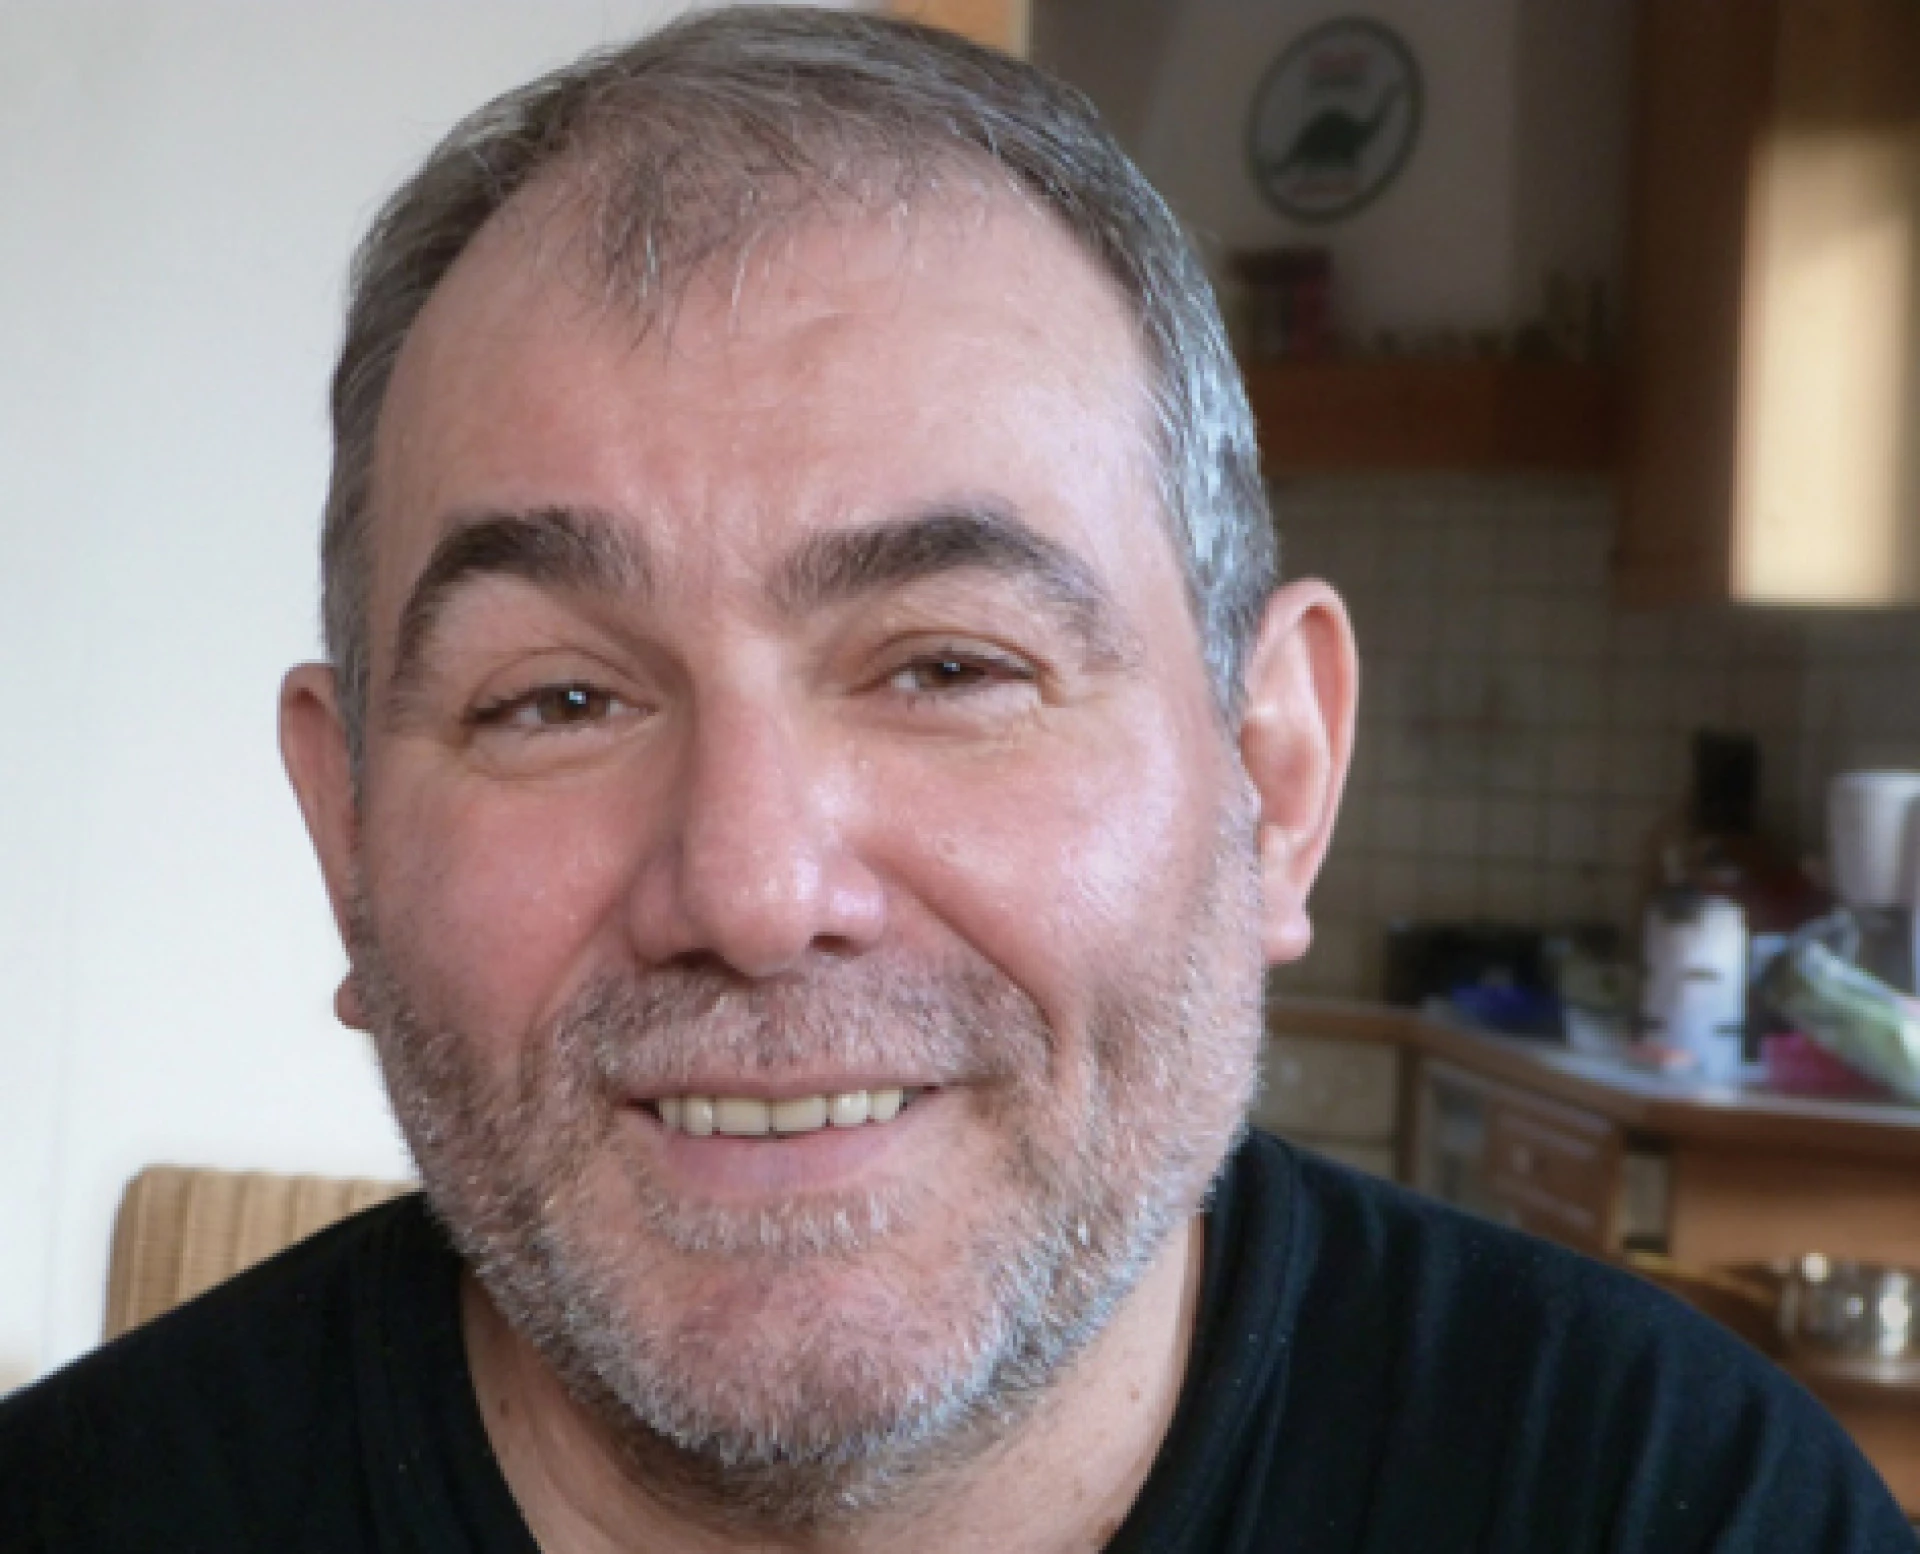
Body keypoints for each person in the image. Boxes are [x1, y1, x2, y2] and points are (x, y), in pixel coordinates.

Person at [0, 8, 1909, 1551]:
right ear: (346, 837)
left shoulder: (1690, 1507)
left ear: (1276, 776)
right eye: (558, 700)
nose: (751, 886)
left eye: (949, 665)